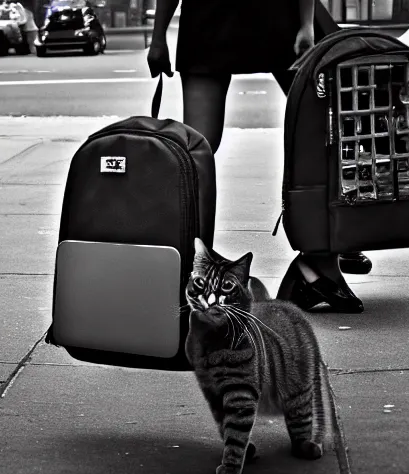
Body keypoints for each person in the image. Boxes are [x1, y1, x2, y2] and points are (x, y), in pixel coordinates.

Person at [147, 0, 367, 313]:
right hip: (275, 15)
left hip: (215, 18)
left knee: (198, 148)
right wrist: (305, 24)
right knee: (324, 129)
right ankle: (322, 260)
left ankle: (181, 262)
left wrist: (158, 37)